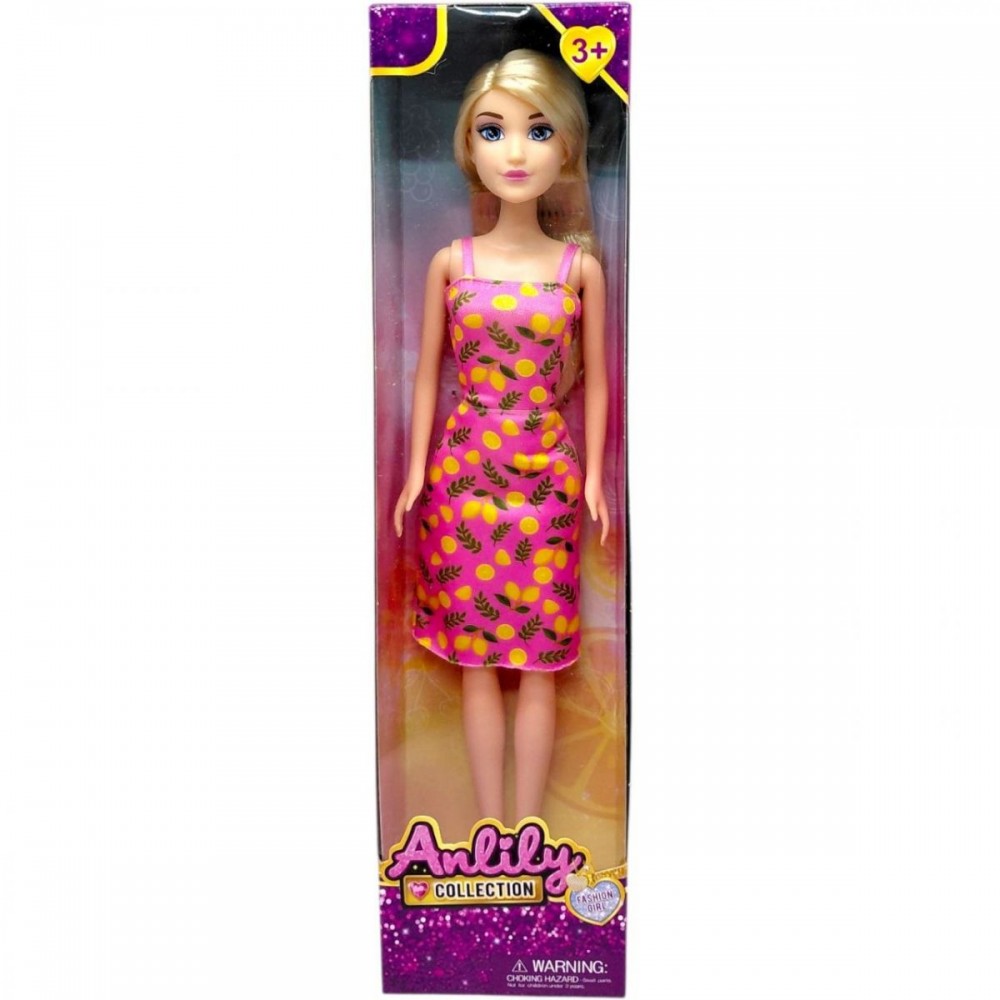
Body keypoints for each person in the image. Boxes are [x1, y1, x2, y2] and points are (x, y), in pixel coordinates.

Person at [393, 49, 608, 824]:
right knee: (476, 661)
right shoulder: (452, 263)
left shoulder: (577, 269)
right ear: (468, 146)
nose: (515, 152)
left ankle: (530, 835)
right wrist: (415, 473)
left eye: (538, 130)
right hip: (463, 480)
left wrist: (594, 480)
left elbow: (598, 381)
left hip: (547, 483)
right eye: (493, 131)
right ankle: (493, 830)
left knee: (543, 660)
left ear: (568, 147)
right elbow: (427, 375)